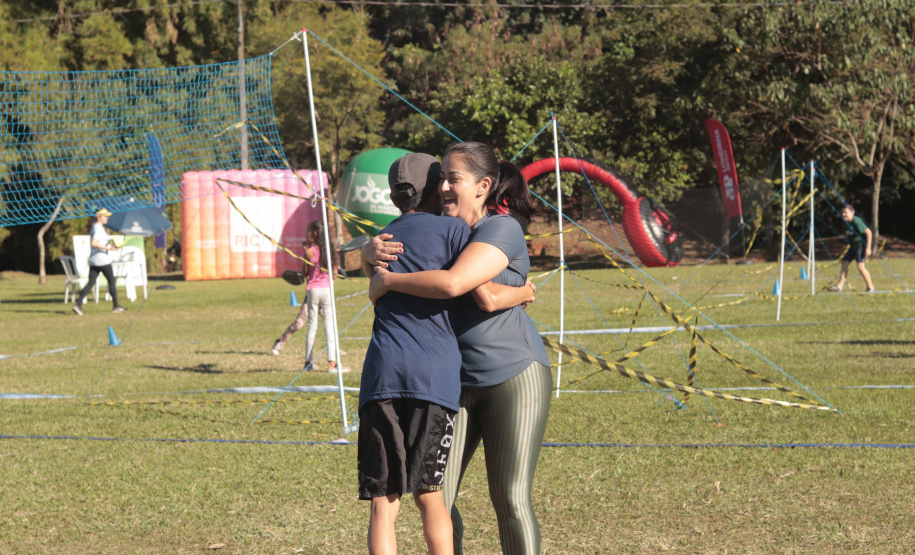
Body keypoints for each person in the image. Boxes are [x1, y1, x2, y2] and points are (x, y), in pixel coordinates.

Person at [366, 142, 550, 555]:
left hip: (513, 374)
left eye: (454, 178)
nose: (445, 187)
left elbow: (464, 288)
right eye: (441, 178)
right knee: (435, 496)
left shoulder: (500, 228)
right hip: (452, 383)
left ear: (483, 186)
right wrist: (368, 249)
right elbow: (395, 243)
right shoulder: (446, 231)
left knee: (509, 496)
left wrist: (390, 281)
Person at [271, 220, 347, 373]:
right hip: (327, 290)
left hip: (313, 291)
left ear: (314, 234)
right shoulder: (332, 251)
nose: (306, 235)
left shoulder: (309, 251)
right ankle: (332, 364)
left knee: (312, 327)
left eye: (308, 232)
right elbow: (335, 274)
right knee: (329, 327)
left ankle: (308, 363)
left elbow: (305, 273)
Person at [72, 208, 127, 316]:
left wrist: (109, 246)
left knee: (91, 283)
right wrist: (108, 249)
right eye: (105, 216)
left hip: (94, 261)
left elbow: (98, 243)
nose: (107, 218)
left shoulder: (97, 228)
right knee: (111, 281)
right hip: (102, 261)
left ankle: (78, 305)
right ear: (99, 217)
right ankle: (116, 306)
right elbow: (94, 243)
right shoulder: (98, 229)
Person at [828, 203, 875, 293]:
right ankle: (839, 286)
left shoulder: (856, 221)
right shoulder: (846, 224)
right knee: (844, 263)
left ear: (852, 212)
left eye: (846, 212)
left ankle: (870, 287)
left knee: (860, 267)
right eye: (842, 212)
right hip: (853, 247)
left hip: (860, 247)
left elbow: (869, 232)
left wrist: (868, 248)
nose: (844, 214)